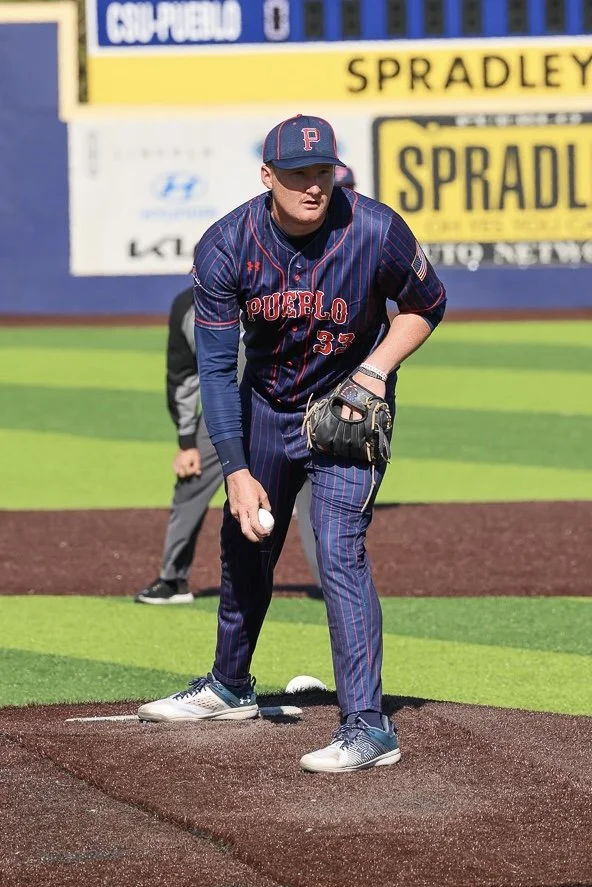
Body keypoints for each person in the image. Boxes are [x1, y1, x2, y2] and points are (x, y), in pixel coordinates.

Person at [138, 114, 446, 774]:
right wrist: (237, 470)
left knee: (336, 545)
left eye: (323, 172)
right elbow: (217, 368)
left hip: (346, 410)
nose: (314, 186)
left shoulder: (375, 230)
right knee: (245, 540)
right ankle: (229, 686)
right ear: (267, 175)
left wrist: (375, 369)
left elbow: (426, 304)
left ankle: (369, 725)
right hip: (267, 409)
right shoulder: (226, 245)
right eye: (299, 173)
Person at [135, 285, 322, 605]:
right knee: (190, 484)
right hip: (221, 412)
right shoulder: (187, 305)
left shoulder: (272, 290)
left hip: (285, 405)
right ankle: (173, 579)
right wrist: (186, 441)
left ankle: (332, 581)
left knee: (314, 488)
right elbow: (182, 374)